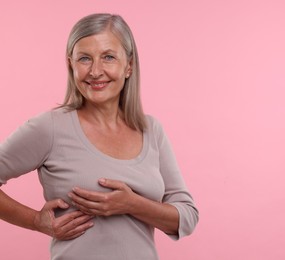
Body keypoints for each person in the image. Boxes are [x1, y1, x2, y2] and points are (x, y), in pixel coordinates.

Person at [0, 13, 199, 260]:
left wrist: (131, 204)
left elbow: (187, 217)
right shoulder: (50, 127)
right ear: (70, 64)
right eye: (84, 58)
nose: (95, 71)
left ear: (129, 65)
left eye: (108, 57)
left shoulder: (151, 130)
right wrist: (34, 221)